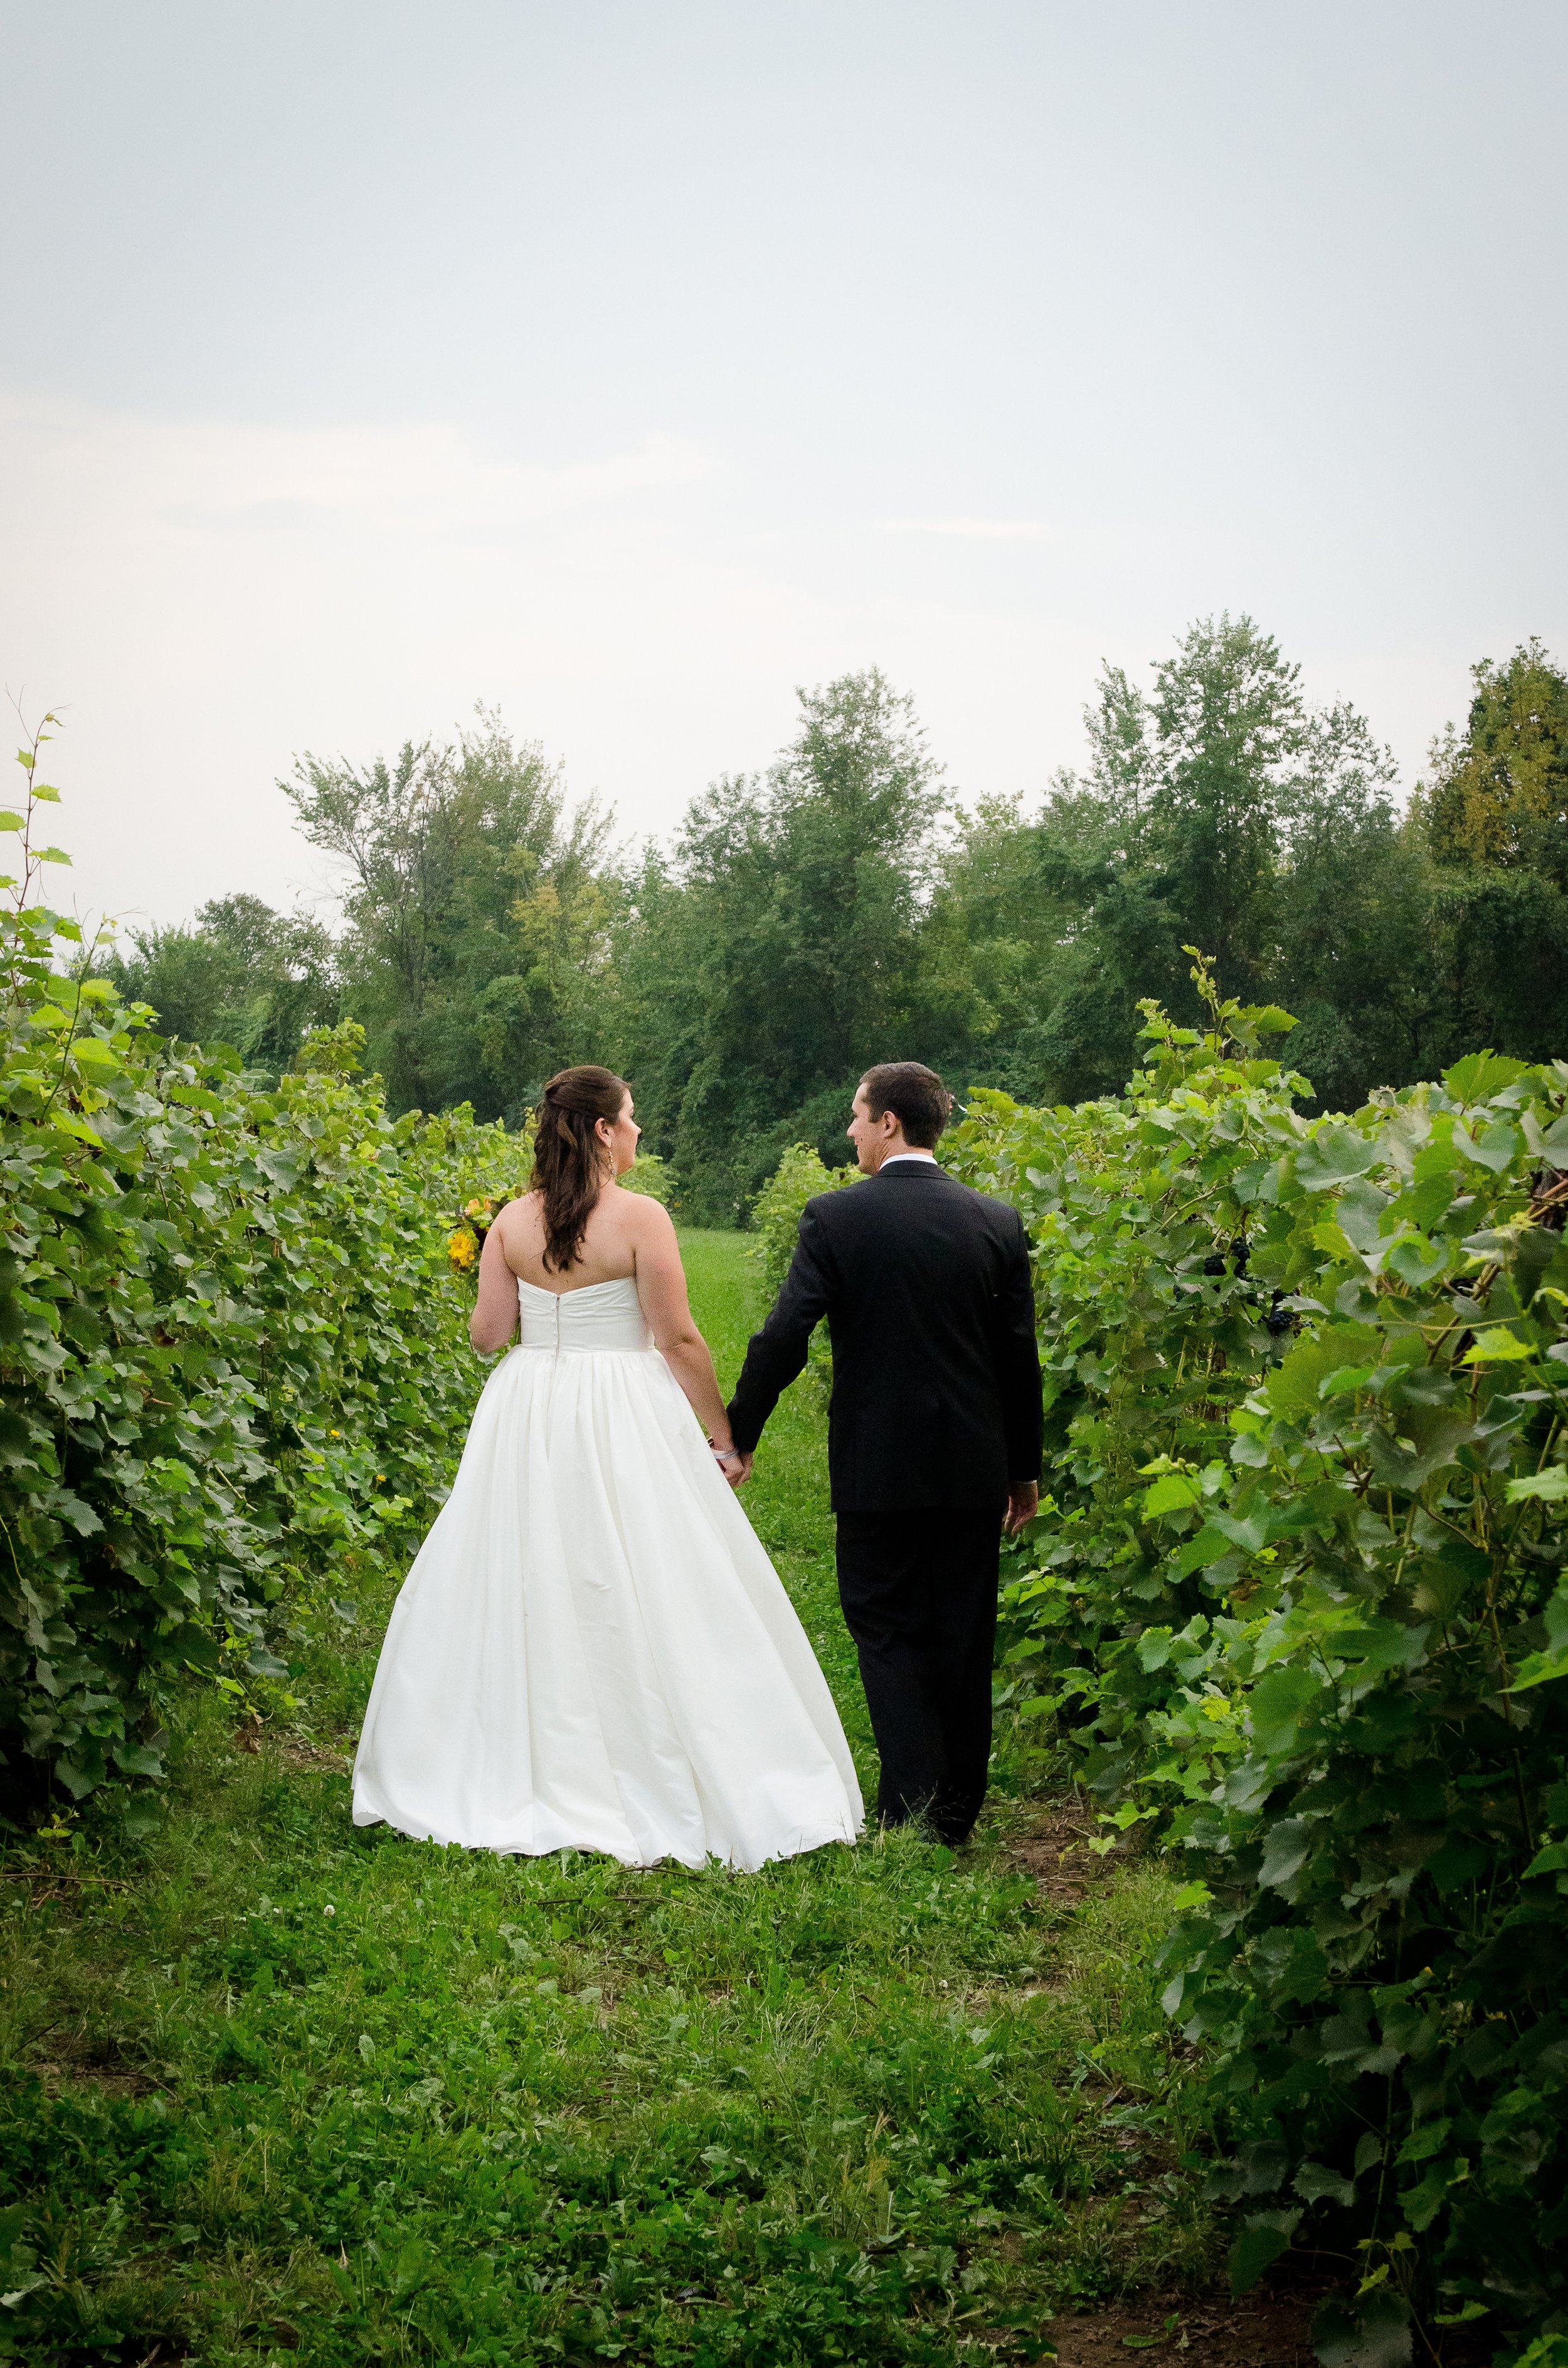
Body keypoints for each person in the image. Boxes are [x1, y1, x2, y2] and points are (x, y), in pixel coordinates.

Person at [352, 1065, 862, 1871]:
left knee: (523, 1560)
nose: (636, 1133)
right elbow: (677, 1338)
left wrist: (515, 1281)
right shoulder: (639, 1217)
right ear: (600, 1131)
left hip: (528, 1404)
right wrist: (724, 1437)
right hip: (623, 1399)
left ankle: (508, 1747)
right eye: (630, 1120)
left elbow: (489, 1336)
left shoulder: (509, 1222)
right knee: (647, 1563)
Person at [726, 1061, 1042, 1846]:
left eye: (857, 1116)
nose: (851, 1131)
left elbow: (785, 1334)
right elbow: (1018, 1360)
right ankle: (958, 1812)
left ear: (890, 1123)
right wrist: (1023, 1470)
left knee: (887, 1627)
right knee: (964, 1632)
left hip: (877, 1466)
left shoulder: (835, 1218)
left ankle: (911, 1806)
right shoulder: (995, 1221)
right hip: (972, 1466)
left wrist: (739, 1429)